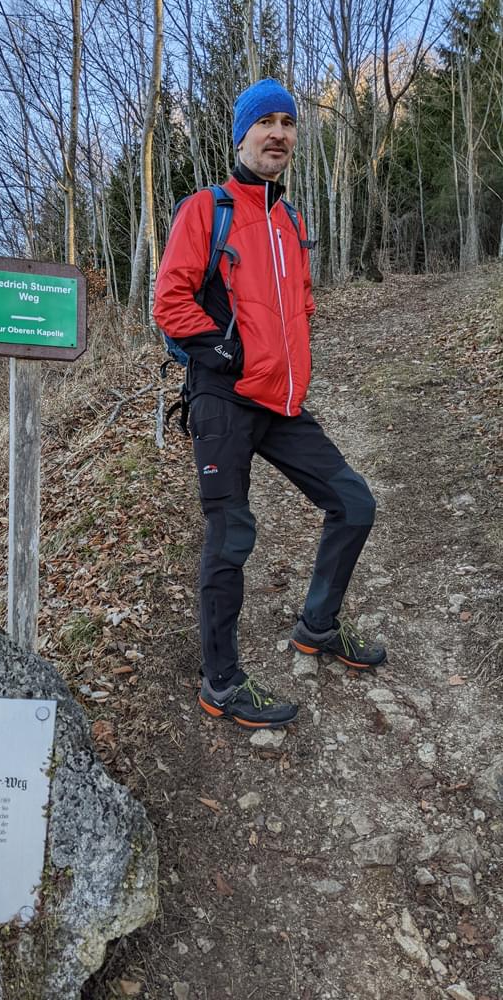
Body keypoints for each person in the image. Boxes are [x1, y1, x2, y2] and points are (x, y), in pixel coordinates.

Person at [153, 78, 386, 731]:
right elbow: (169, 303)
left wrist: (291, 360)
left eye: (287, 122)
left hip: (281, 402)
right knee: (231, 535)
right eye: (266, 122)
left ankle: (318, 625)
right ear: (242, 136)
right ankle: (221, 683)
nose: (279, 133)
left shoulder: (291, 222)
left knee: (354, 503)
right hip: (223, 399)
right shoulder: (207, 209)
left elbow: (300, 304)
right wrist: (227, 354)